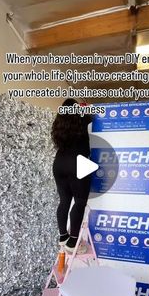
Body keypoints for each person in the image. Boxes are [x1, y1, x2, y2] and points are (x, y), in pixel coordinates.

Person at [51, 98, 92, 254]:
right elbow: (92, 116)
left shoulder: (58, 125)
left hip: (59, 163)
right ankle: (73, 242)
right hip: (78, 162)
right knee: (80, 201)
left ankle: (63, 237)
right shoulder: (83, 119)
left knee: (64, 201)